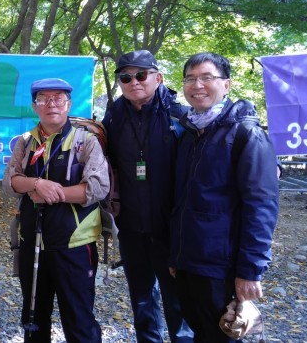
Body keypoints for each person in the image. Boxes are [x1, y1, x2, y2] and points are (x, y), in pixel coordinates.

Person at [169, 52, 279, 343]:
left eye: (207, 77)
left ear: (226, 84)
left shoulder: (246, 134)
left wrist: (250, 271)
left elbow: (261, 206)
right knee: (200, 333)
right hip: (189, 262)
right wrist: (176, 254)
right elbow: (182, 200)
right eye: (190, 79)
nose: (197, 85)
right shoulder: (190, 132)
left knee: (222, 335)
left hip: (222, 267)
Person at [2, 78, 109, 343]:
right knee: (33, 319)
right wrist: (36, 184)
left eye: (58, 98)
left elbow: (98, 187)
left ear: (68, 104)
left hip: (74, 244)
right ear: (34, 106)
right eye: (44, 99)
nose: (51, 104)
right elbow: (10, 182)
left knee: (79, 320)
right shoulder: (26, 142)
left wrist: (53, 193)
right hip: (32, 242)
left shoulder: (86, 141)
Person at [101, 50, 193, 343]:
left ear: (158, 78)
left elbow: (219, 143)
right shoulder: (113, 117)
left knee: (178, 299)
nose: (134, 82)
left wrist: (268, 161)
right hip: (130, 224)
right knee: (141, 298)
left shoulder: (180, 116)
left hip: (171, 226)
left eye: (141, 75)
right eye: (126, 77)